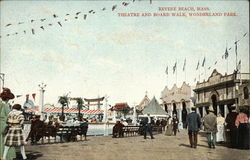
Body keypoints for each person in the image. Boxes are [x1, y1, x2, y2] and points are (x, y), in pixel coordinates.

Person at [0, 88, 16, 160]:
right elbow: (9, 118)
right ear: (8, 98)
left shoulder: (1, 105)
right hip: (5, 126)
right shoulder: (6, 106)